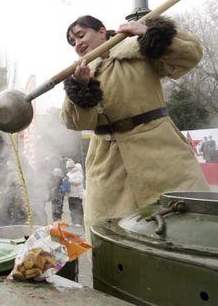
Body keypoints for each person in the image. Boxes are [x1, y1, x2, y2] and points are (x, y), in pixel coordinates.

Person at [60, 15, 210, 238]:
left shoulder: (138, 49)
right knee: (107, 233)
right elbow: (76, 122)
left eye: (81, 35)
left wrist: (148, 33)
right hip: (107, 163)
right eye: (72, 42)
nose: (78, 44)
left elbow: (191, 54)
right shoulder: (82, 73)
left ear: (102, 31)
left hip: (161, 153)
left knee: (190, 226)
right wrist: (81, 87)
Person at [65, 160, 84, 227]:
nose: (69, 169)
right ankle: (73, 221)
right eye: (68, 168)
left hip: (77, 194)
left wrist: (69, 180)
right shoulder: (68, 174)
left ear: (72, 167)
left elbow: (78, 181)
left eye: (70, 167)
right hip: (70, 194)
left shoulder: (78, 173)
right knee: (72, 208)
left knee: (78, 208)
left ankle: (79, 222)